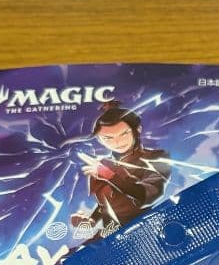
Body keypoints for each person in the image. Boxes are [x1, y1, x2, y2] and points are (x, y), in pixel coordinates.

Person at [71, 100, 171, 240]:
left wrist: (111, 176)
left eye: (124, 134)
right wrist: (91, 220)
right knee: (72, 254)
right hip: (112, 233)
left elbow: (146, 195)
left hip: (144, 230)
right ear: (100, 139)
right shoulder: (102, 165)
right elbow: (107, 204)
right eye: (108, 138)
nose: (117, 142)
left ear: (137, 129)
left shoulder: (156, 157)